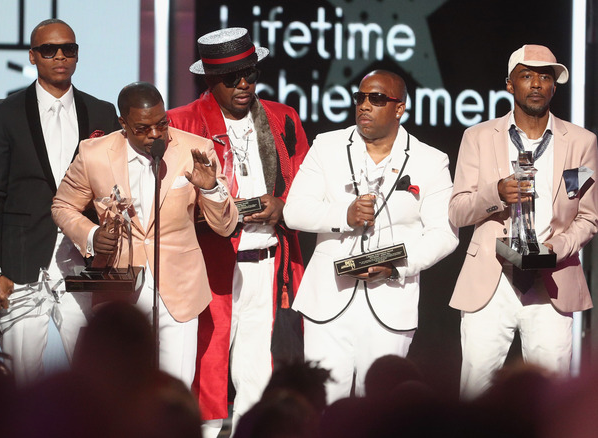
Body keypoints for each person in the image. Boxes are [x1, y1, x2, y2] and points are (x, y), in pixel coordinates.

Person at [283, 70, 458, 403]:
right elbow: (294, 211)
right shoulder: (328, 145)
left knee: (379, 409)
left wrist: (396, 265)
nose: (364, 105)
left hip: (390, 300)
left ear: (399, 108)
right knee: (321, 405)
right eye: (360, 97)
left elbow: (444, 234)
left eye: (377, 99)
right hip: (328, 300)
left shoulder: (430, 161)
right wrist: (344, 215)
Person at [167, 27, 309, 435]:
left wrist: (283, 207)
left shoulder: (283, 119)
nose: (244, 84)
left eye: (250, 73)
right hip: (211, 263)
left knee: (260, 368)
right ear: (209, 80)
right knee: (206, 365)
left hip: (268, 261)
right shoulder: (182, 122)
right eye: (232, 78)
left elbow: (306, 186)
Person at [51, 81, 238, 388]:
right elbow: (63, 205)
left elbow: (225, 226)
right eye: (143, 128)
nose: (155, 135)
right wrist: (92, 235)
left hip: (179, 289)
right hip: (120, 288)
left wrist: (210, 188)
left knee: (173, 390)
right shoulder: (94, 154)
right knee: (117, 391)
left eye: (161, 124)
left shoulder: (195, 149)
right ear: (123, 124)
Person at [449, 44, 598, 400]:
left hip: (552, 281)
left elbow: (589, 216)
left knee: (549, 398)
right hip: (492, 279)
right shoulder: (479, 137)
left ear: (553, 87)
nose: (536, 84)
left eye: (545, 76)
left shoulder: (581, 142)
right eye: (527, 75)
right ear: (509, 85)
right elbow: (457, 211)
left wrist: (556, 248)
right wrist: (497, 192)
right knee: (475, 394)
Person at [0, 18, 120, 384]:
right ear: (32, 55)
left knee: (95, 376)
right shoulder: (4, 112)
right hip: (21, 265)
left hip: (84, 263)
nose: (59, 56)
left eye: (68, 49)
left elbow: (118, 187)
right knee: (22, 381)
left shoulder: (102, 113)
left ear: (77, 55)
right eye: (48, 49)